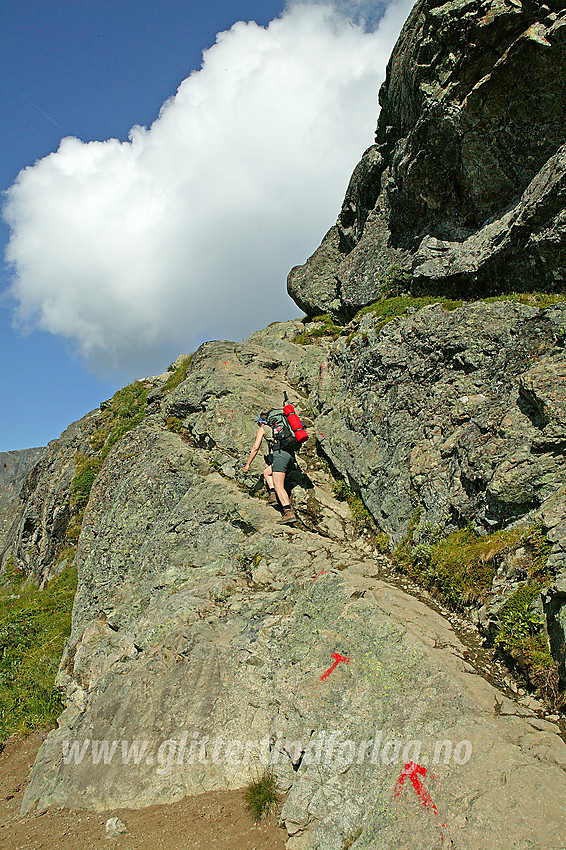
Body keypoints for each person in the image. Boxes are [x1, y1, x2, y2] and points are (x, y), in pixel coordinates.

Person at [243, 412, 297, 524]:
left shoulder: (263, 429)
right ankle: (273, 496)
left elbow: (255, 448)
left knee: (279, 486)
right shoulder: (279, 428)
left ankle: (288, 512)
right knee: (267, 473)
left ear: (260, 422)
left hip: (280, 455)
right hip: (290, 455)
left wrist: (248, 464)